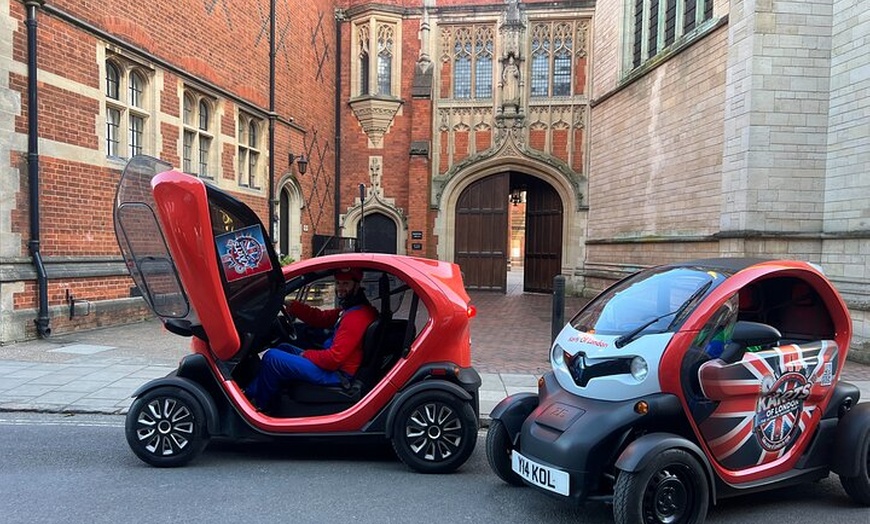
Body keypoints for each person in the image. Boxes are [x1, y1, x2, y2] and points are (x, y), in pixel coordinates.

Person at [245, 267, 378, 411]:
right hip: (335, 367)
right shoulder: (354, 310)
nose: (340, 288)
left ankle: (258, 406)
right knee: (284, 347)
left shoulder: (355, 317)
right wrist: (293, 306)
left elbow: (334, 359)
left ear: (357, 285)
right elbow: (321, 318)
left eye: (346, 284)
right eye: (338, 283)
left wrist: (306, 354)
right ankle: (249, 394)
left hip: (337, 374)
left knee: (272, 357)